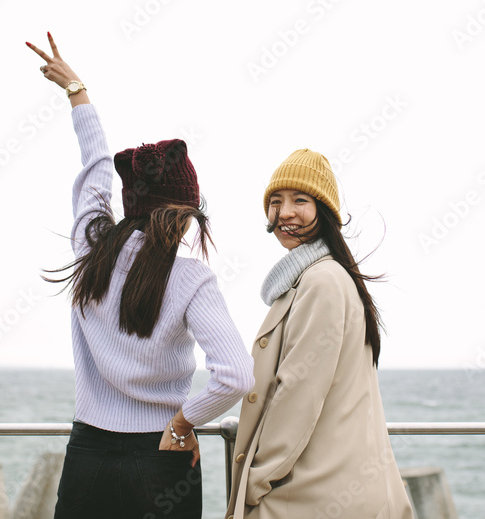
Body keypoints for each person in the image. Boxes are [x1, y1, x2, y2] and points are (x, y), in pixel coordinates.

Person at [26, 33, 254, 519]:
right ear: (183, 213)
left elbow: (96, 169)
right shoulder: (192, 279)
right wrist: (183, 423)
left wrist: (77, 92)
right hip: (162, 459)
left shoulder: (90, 247)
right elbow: (235, 376)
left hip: (87, 455)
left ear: (131, 204)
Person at [225, 149, 414, 519]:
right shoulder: (323, 276)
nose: (285, 212)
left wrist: (255, 482)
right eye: (275, 201)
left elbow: (298, 392)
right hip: (332, 484)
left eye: (300, 200)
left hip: (313, 492)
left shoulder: (321, 281)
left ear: (324, 211)